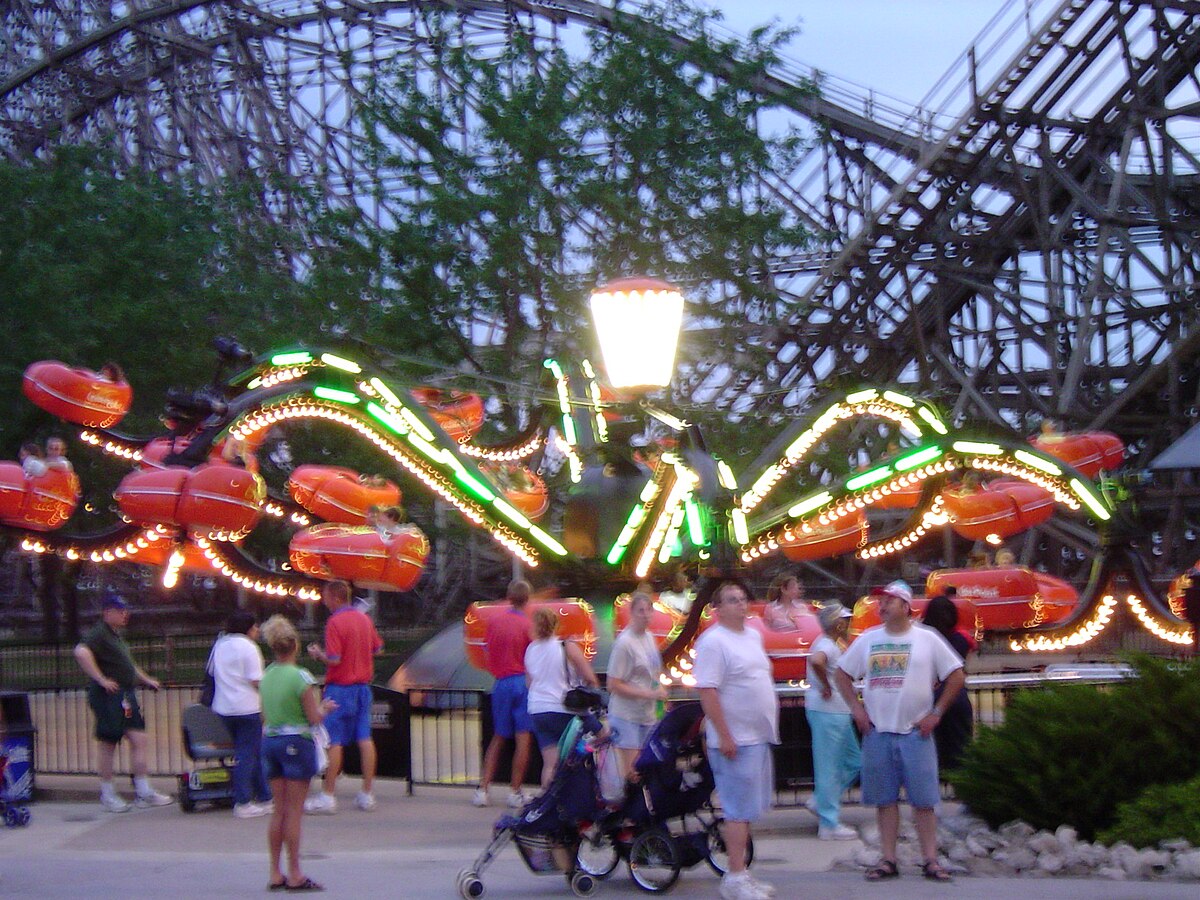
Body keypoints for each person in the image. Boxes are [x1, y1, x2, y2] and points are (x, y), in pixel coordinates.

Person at [835, 580, 965, 883]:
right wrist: (856, 709)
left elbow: (956, 675)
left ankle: (930, 859)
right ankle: (888, 858)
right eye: (881, 601)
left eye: (889, 601)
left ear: (906, 607)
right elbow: (842, 674)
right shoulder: (869, 639)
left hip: (915, 733)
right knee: (884, 801)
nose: (882, 606)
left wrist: (936, 713)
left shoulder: (927, 639)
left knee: (924, 801)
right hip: (878, 731)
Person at [694, 581, 779, 900]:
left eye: (743, 599)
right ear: (717, 609)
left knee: (747, 810)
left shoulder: (753, 636)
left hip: (757, 736)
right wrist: (725, 734)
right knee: (736, 810)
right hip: (734, 740)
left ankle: (742, 870)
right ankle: (734, 876)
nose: (740, 605)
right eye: (732, 600)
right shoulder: (713, 642)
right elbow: (708, 690)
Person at [73, 592, 173, 812]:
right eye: (119, 611)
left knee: (139, 738)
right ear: (107, 612)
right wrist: (101, 679)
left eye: (125, 610)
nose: (124, 615)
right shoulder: (99, 633)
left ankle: (143, 789)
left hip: (125, 694)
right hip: (111, 696)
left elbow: (127, 664)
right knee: (109, 742)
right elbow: (81, 652)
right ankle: (108, 793)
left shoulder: (115, 636)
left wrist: (146, 679)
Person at [260, 614, 335, 892]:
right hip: (296, 741)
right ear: (294, 645)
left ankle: (274, 871)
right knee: (294, 811)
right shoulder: (301, 677)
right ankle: (295, 872)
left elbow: (265, 715)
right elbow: (313, 717)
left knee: (278, 810)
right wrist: (325, 709)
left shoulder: (266, 676)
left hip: (271, 740)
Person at [305, 580, 384, 814]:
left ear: (336, 597)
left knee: (334, 740)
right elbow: (378, 649)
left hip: (339, 687)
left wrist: (318, 655)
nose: (323, 600)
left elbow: (335, 659)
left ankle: (328, 795)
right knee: (365, 737)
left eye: (325, 596)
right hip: (363, 687)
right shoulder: (364, 619)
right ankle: (367, 793)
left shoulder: (335, 622)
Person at [474, 580, 535, 807]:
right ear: (527, 600)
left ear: (508, 597)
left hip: (500, 683)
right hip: (522, 682)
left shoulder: (494, 622)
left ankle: (483, 789)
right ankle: (515, 790)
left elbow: (487, 651)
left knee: (498, 737)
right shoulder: (527, 625)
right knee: (523, 739)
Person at [525, 606, 600, 789]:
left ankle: (547, 804)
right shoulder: (566, 646)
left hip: (537, 710)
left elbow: (529, 683)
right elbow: (590, 678)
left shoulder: (531, 650)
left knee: (550, 764)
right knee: (599, 738)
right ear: (555, 625)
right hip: (563, 709)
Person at [805, 602, 862, 841]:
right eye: (845, 619)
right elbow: (816, 661)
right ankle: (828, 822)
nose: (848, 623)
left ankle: (822, 801)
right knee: (830, 765)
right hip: (829, 710)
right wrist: (826, 686)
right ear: (837, 623)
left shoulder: (831, 644)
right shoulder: (827, 645)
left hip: (836, 710)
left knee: (853, 760)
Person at [211, 610, 273, 818]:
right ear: (247, 628)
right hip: (247, 707)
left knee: (249, 753)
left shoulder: (219, 645)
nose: (257, 631)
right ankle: (243, 800)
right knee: (249, 754)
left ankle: (264, 797)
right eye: (255, 627)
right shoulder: (248, 647)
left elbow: (211, 672)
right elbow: (256, 680)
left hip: (223, 707)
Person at [607, 591, 667, 777]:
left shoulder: (649, 637)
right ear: (632, 613)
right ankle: (627, 802)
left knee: (648, 765)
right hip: (626, 716)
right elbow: (613, 684)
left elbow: (654, 672)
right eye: (641, 611)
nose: (646, 615)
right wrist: (648, 694)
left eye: (649, 610)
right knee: (632, 771)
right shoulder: (625, 643)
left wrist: (660, 695)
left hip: (648, 714)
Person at [920, 593, 975, 773]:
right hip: (957, 697)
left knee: (933, 745)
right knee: (960, 745)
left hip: (930, 698)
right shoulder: (960, 639)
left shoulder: (923, 638)